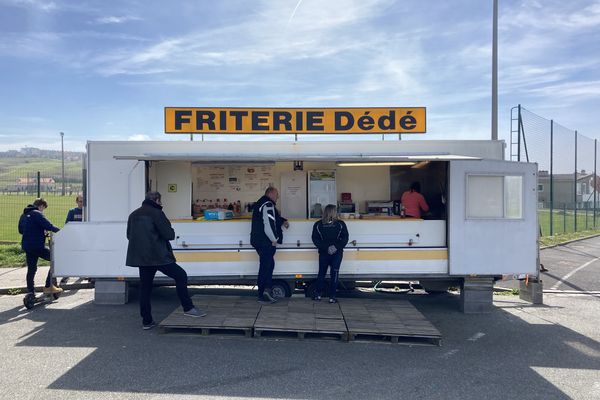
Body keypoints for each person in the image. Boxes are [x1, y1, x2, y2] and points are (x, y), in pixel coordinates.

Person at [126, 191, 206, 330]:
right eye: (160, 201)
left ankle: (147, 321)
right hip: (159, 256)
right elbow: (169, 234)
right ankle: (188, 308)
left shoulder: (133, 215)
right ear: (157, 200)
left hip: (142, 258)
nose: (161, 203)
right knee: (181, 276)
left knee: (145, 288)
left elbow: (129, 235)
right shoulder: (156, 213)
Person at [250, 187, 289, 304]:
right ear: (271, 193)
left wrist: (282, 220)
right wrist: (274, 239)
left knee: (269, 265)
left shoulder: (261, 203)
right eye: (277, 194)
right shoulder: (268, 204)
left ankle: (267, 291)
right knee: (265, 267)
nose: (278, 197)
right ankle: (262, 295)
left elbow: (270, 219)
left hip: (259, 240)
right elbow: (268, 223)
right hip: (265, 241)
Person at [18, 198, 63, 296]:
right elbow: (49, 226)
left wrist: (38, 230)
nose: (43, 211)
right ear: (41, 206)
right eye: (43, 208)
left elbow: (21, 230)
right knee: (56, 259)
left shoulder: (24, 215)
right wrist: (63, 233)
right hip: (37, 246)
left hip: (27, 246)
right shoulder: (37, 213)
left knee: (31, 269)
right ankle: (48, 286)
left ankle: (31, 291)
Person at [311, 204, 349, 303]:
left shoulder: (318, 224)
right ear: (334, 212)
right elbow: (345, 238)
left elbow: (315, 239)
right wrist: (335, 247)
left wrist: (325, 247)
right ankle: (332, 297)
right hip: (337, 253)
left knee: (321, 273)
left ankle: (318, 295)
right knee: (334, 274)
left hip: (324, 252)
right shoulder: (340, 224)